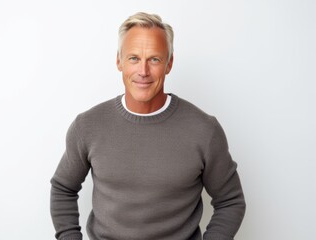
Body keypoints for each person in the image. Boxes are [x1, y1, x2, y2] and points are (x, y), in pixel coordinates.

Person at [50, 12, 246, 240]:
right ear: (118, 61)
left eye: (154, 59)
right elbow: (63, 188)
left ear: (169, 64)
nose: (143, 71)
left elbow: (230, 201)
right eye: (133, 58)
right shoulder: (87, 126)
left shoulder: (204, 130)